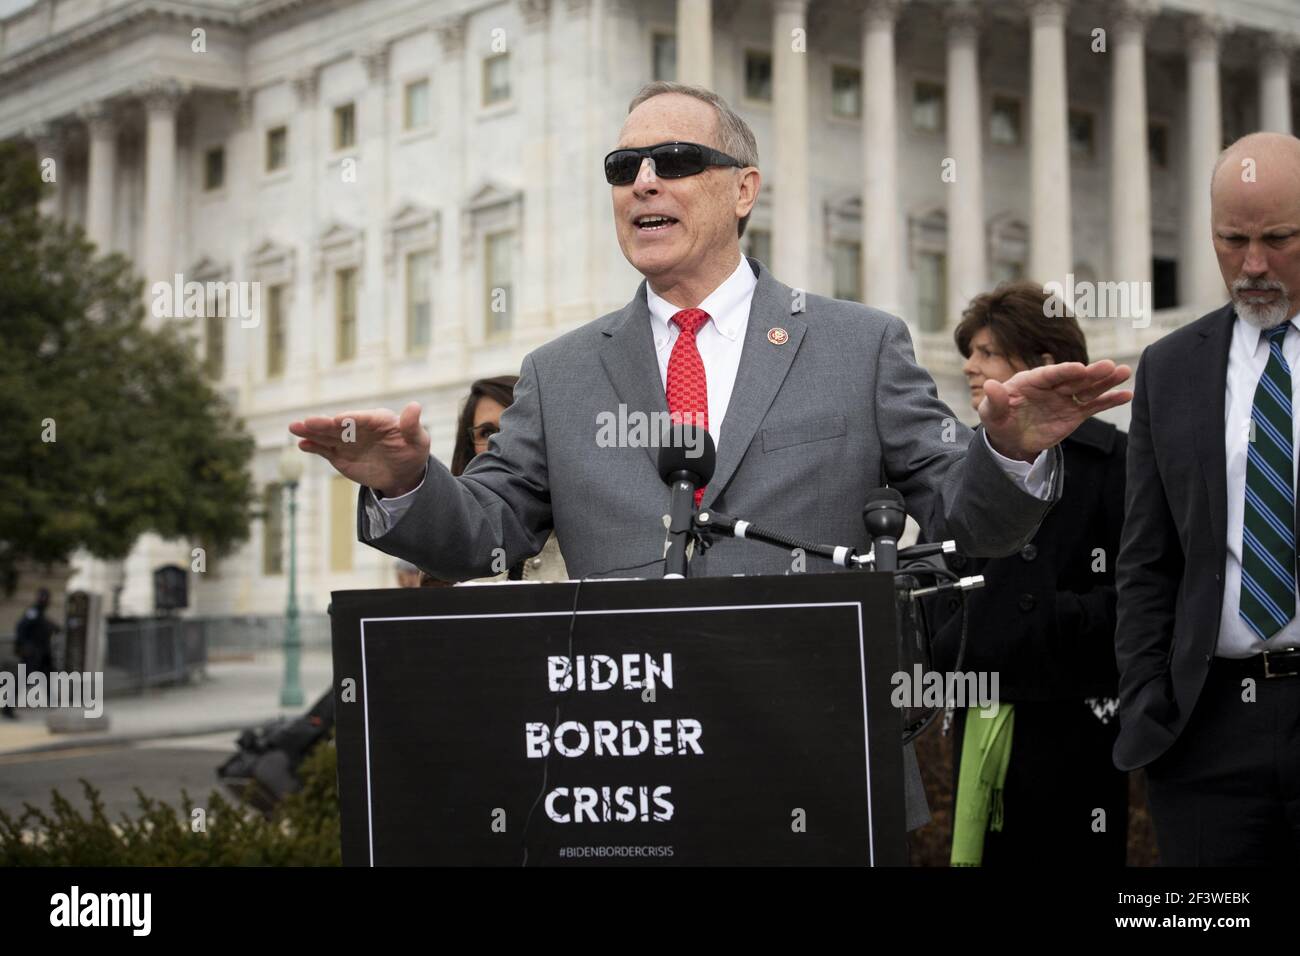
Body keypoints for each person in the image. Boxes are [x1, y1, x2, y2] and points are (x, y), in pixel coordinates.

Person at [290, 82, 1131, 831]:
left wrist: (1009, 451)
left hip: (814, 764)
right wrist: (405, 483)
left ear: (742, 190)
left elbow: (962, 516)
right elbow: (488, 533)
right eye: (624, 167)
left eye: (675, 160)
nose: (643, 180)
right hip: (623, 781)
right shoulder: (563, 372)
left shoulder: (858, 346)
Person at [1115, 131, 1300, 866]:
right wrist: (1147, 704)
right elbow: (1145, 561)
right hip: (1205, 730)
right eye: (1232, 241)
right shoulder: (1170, 367)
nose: (1252, 265)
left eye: (1278, 239)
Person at [930, 282, 1128, 866]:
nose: (968, 365)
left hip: (1081, 727)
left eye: (988, 353)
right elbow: (942, 581)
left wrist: (1041, 620)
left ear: (1044, 364)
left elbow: (1142, 597)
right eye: (972, 351)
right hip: (981, 713)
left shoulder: (1117, 461)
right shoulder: (964, 463)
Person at [418, 375, 567, 586]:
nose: (500, 443)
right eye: (487, 432)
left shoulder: (585, 536)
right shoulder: (447, 545)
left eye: (513, 429)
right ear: (469, 448)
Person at [14, 588, 56, 680]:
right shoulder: (33, 612)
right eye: (43, 598)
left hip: (42, 653)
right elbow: (21, 627)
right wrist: (23, 645)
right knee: (23, 677)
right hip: (33, 653)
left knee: (47, 678)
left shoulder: (40, 614)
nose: (46, 601)